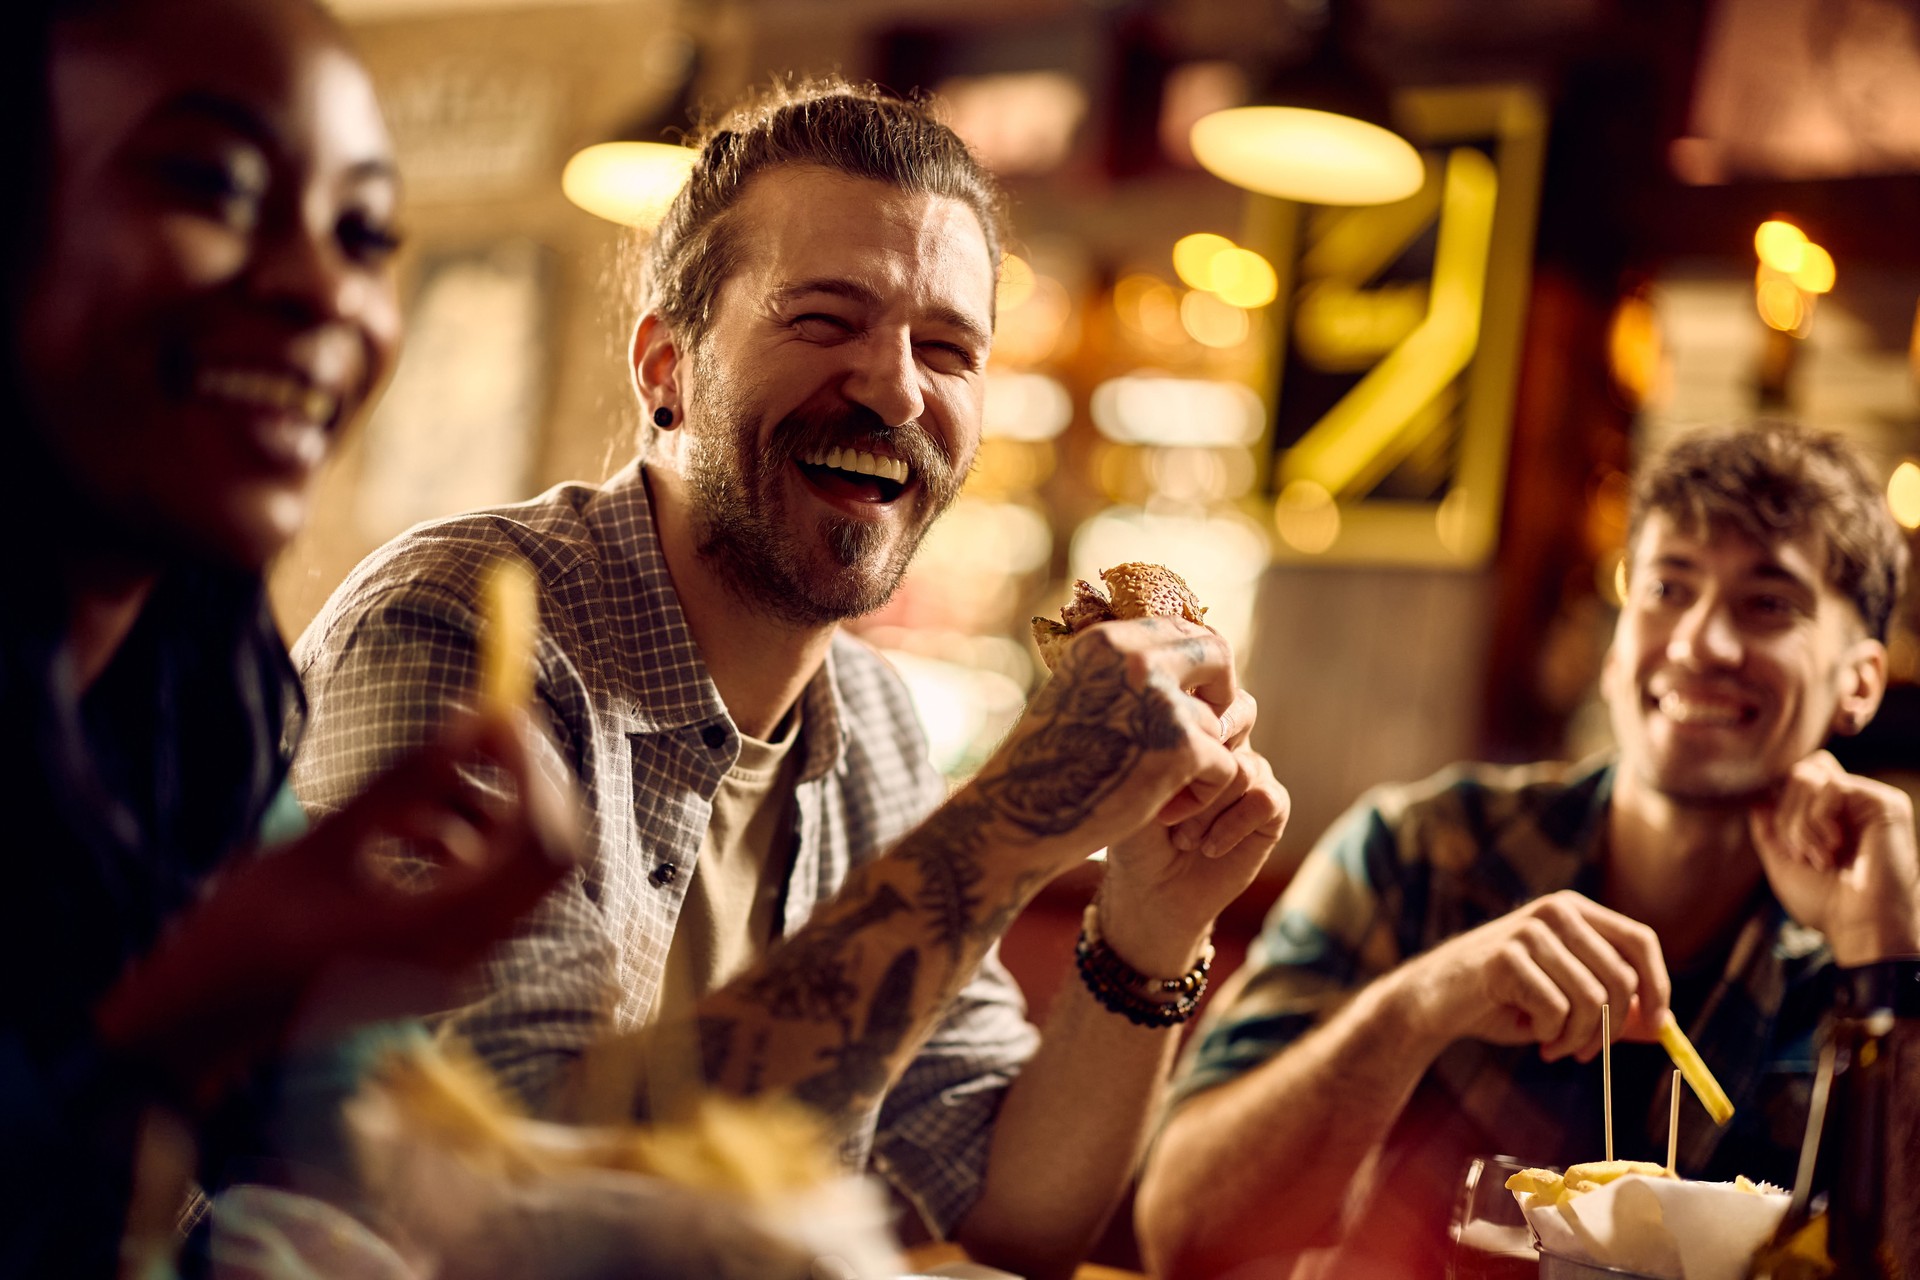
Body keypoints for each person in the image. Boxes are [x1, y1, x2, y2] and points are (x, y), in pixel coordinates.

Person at [291, 80, 1290, 1278]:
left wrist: (1153, 920)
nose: (899, 388)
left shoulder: (873, 722)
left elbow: (1018, 1208)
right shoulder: (466, 631)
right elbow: (509, 1202)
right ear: (667, 364)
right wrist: (1014, 817)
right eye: (825, 320)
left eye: (948, 348)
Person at [0, 0, 575, 1273]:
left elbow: (373, 1179)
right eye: (212, 186)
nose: (323, 288)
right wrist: (192, 1021)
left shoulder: (201, 714)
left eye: (364, 233)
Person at [1138, 422, 1920, 1280]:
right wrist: (1424, 1003)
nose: (1700, 643)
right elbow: (1182, 1229)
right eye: (1668, 586)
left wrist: (1882, 959)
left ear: (1860, 683)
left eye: (1769, 603)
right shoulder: (1417, 851)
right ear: (1619, 638)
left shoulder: (1876, 953)